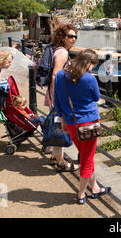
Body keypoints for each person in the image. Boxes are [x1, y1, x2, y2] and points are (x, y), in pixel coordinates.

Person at [54, 49, 110, 204]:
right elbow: (96, 97)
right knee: (87, 159)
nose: (92, 68)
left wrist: (62, 119)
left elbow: (57, 99)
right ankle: (81, 194)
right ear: (88, 62)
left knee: (85, 155)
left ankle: (96, 187)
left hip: (71, 122)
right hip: (89, 123)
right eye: (92, 65)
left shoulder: (60, 75)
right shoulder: (89, 79)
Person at [44, 24, 78, 171]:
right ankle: (60, 162)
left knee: (58, 124)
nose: (74, 39)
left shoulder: (57, 50)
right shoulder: (63, 53)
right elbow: (55, 75)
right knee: (59, 126)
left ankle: (54, 155)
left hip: (55, 94)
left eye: (75, 36)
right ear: (62, 37)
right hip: (58, 95)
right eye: (70, 36)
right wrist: (60, 97)